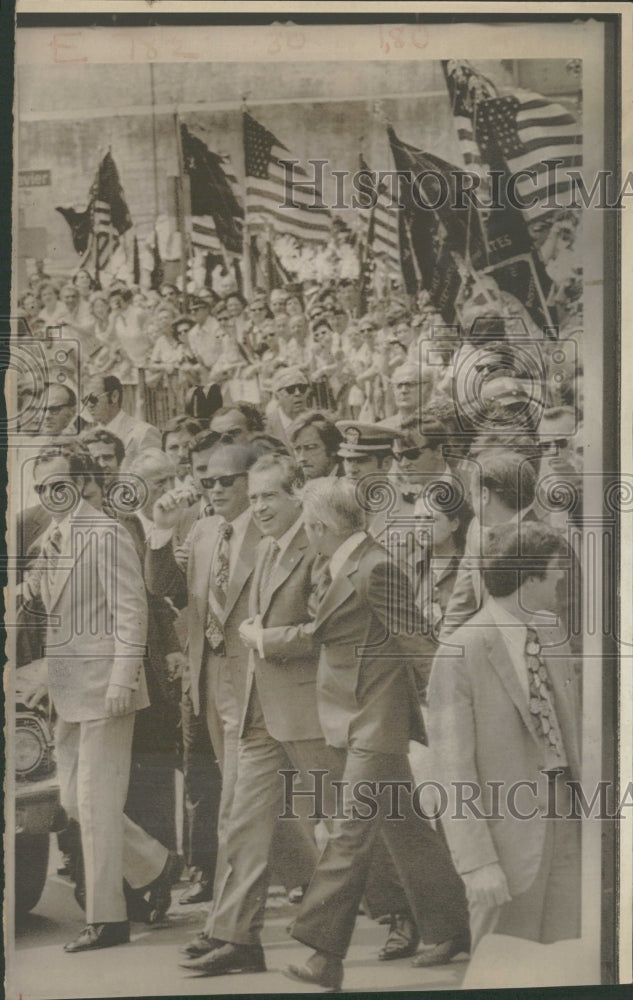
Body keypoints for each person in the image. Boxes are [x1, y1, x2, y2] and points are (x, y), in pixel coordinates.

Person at [284, 478, 469, 990]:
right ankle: (451, 925)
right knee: (407, 829)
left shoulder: (375, 566)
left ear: (321, 527)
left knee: (348, 835)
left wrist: (453, 705)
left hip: (376, 720)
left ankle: (325, 955)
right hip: (352, 716)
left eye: (309, 527)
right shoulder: (342, 561)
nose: (307, 536)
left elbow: (415, 640)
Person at [179, 454, 342, 975]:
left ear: (297, 492)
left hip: (309, 710)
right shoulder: (265, 547)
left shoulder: (318, 546)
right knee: (243, 823)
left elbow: (327, 628)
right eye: (253, 498)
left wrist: (266, 640)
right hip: (257, 712)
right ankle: (237, 938)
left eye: (269, 495)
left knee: (356, 823)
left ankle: (421, 913)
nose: (259, 507)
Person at [20, 442, 176, 952]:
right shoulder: (53, 536)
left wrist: (121, 681)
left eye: (59, 485)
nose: (51, 495)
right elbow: (44, 602)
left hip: (107, 688)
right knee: (71, 800)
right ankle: (154, 862)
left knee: (95, 802)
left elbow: (133, 613)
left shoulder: (105, 533)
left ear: (84, 482)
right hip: (67, 692)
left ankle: (107, 920)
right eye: (42, 488)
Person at [428, 521, 581, 950]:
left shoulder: (551, 634)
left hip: (565, 824)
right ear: (528, 578)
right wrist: (477, 864)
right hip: (505, 843)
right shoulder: (461, 652)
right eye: (554, 569)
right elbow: (451, 770)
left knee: (562, 967)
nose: (561, 578)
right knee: (503, 969)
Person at [81, 374, 161, 468]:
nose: (89, 405)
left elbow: (155, 475)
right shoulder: (88, 438)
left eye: (93, 399)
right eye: (84, 401)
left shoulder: (143, 433)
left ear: (114, 396)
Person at [266, 367, 311, 451]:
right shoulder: (267, 426)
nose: (298, 393)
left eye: (302, 388)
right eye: (291, 389)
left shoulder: (315, 420)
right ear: (277, 395)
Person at [381, 362, 435, 430]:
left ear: (428, 388)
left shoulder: (440, 429)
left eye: (410, 384)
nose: (403, 390)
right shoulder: (381, 429)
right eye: (399, 385)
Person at [289, 410, 342, 480]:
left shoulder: (351, 484)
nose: (302, 458)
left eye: (310, 447)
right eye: (297, 449)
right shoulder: (298, 483)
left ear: (333, 448)